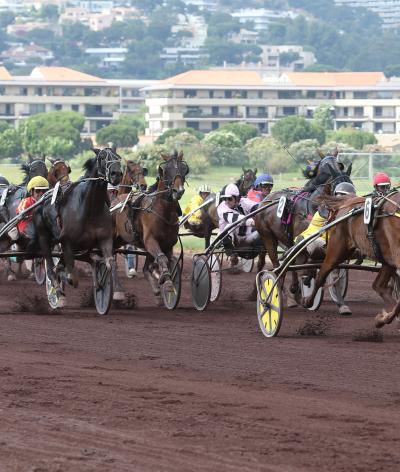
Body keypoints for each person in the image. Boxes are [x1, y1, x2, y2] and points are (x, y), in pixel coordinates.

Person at [298, 182, 357, 260]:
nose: (339, 197)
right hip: (314, 238)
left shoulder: (347, 209)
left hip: (329, 240)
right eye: (338, 195)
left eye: (343, 195)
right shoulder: (327, 208)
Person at [217, 183, 262, 265]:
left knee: (263, 230)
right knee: (229, 226)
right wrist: (251, 221)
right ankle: (232, 255)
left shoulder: (244, 201)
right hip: (229, 239)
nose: (226, 201)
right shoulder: (222, 207)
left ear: (237, 198)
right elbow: (234, 218)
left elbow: (257, 207)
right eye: (225, 199)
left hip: (246, 236)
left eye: (229, 199)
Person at [15, 176, 49, 243]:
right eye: (38, 190)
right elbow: (21, 212)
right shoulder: (26, 201)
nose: (41, 193)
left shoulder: (48, 202)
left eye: (44, 191)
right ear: (31, 192)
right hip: (26, 229)